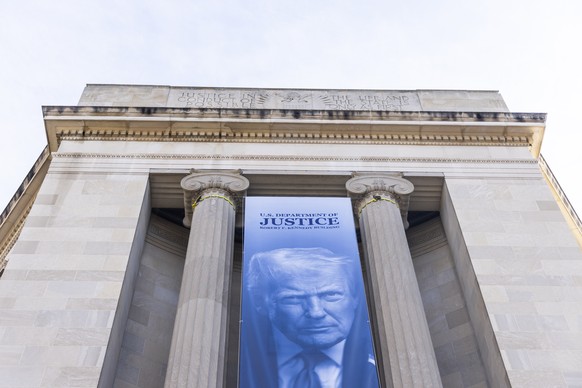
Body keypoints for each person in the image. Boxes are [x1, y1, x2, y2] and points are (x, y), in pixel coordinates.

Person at [240, 247, 379, 388]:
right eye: (293, 298)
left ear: (355, 297)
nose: (316, 312)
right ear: (260, 302)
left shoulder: (381, 363)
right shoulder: (242, 364)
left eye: (331, 295)